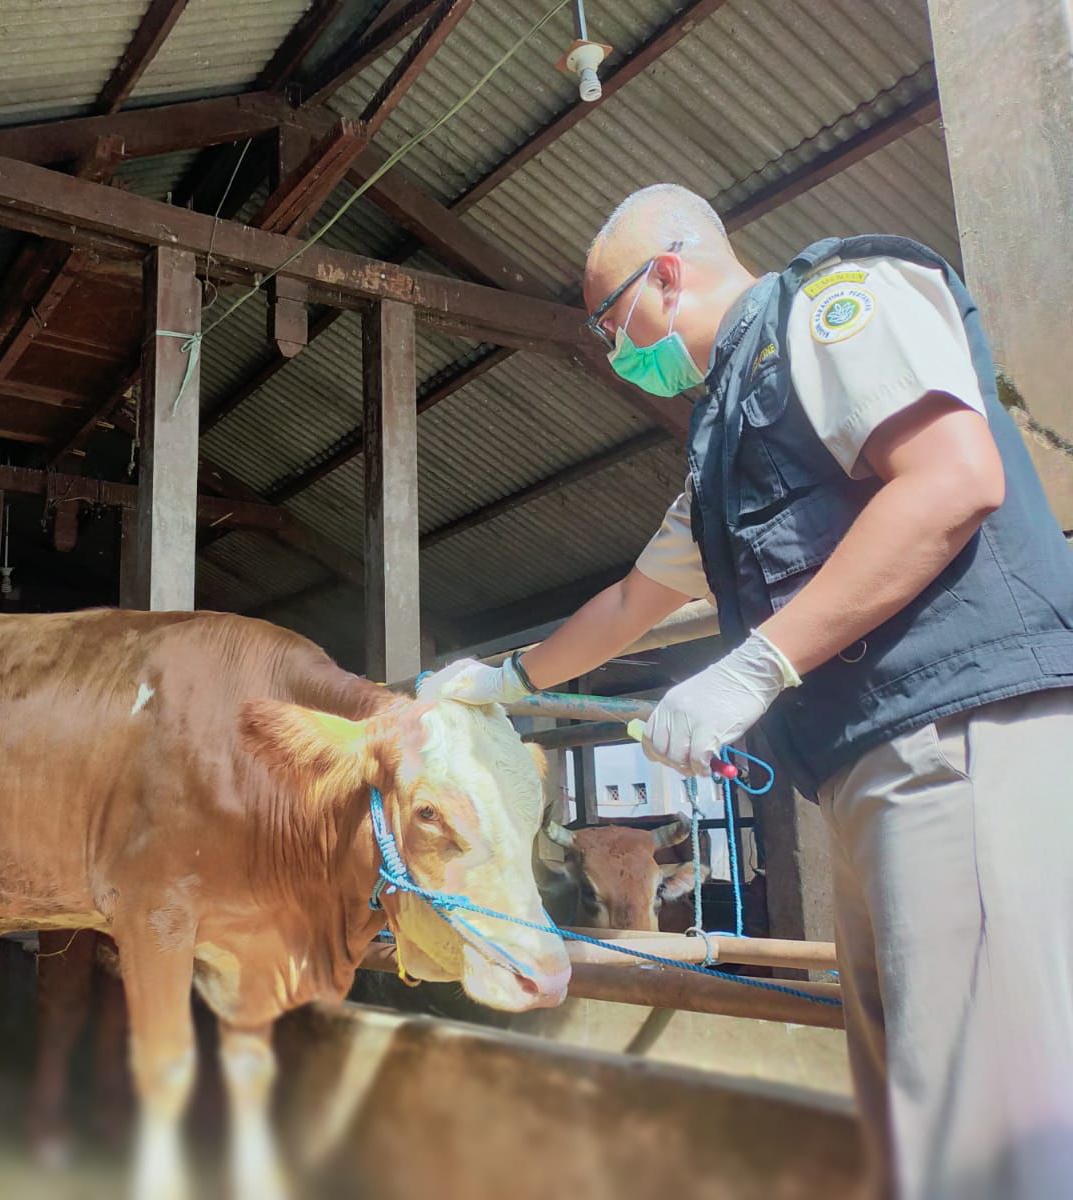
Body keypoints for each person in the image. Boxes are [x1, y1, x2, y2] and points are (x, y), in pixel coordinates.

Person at [422, 184, 1073, 1200]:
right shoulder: (722, 438)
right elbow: (636, 597)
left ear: (667, 272)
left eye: (610, 320)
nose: (611, 349)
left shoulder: (835, 309)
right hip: (867, 769)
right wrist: (499, 681)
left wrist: (754, 666)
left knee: (978, 1128)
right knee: (913, 1113)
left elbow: (952, 478)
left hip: (959, 734)